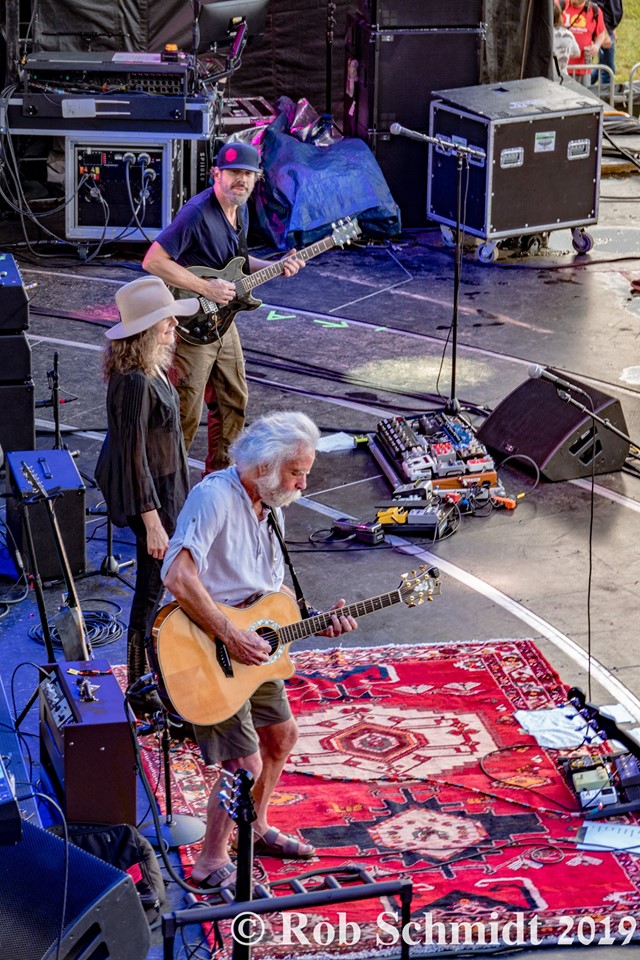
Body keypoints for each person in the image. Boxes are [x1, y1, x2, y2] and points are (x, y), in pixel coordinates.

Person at [161, 411, 357, 889]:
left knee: (280, 737)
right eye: (297, 472)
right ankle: (209, 862)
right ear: (265, 466)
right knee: (243, 764)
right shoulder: (214, 498)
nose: (304, 483)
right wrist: (230, 634)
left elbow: (267, 595)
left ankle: (257, 827)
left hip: (252, 648)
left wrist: (313, 621)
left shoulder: (272, 507)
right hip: (206, 649)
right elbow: (177, 576)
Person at [142, 141, 304, 475]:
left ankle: (219, 479)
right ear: (216, 174)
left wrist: (276, 265)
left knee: (233, 400)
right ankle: (165, 488)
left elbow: (239, 265)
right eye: (233, 173)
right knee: (185, 410)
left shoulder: (238, 208)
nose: (240, 180)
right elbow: (153, 260)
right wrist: (205, 287)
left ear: (256, 178)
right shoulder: (197, 213)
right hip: (192, 325)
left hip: (223, 323)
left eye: (247, 174)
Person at [96, 276, 199, 716]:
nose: (173, 328)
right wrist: (152, 519)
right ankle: (140, 685)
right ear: (146, 330)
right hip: (152, 498)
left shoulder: (151, 367)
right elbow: (133, 454)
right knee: (150, 592)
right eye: (166, 324)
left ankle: (164, 671)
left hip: (168, 489)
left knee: (166, 585)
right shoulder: (135, 381)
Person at [562, 0, 607, 85]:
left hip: (583, 69)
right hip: (560, 69)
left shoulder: (595, 11)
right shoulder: (560, 5)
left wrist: (596, 46)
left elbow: (601, 34)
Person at [553, 2, 581, 78]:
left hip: (545, 78)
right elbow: (576, 53)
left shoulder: (539, 33)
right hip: (562, 77)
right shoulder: (568, 34)